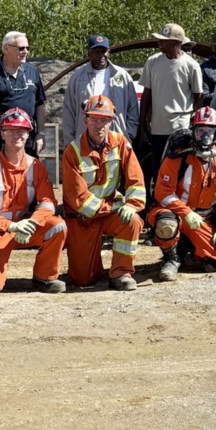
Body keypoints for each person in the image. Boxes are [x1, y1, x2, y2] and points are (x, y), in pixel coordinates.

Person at [0, 108, 66, 294]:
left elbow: (48, 202)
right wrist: (11, 226)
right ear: (2, 134)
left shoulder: (36, 166)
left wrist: (32, 222)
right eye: (10, 130)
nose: (16, 135)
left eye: (21, 130)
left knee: (57, 226)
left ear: (28, 134)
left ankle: (44, 278)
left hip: (26, 229)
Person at [61, 95, 146, 290]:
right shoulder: (72, 152)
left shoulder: (120, 143)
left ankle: (121, 273)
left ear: (112, 121)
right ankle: (92, 266)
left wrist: (132, 205)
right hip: (82, 219)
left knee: (131, 221)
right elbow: (80, 201)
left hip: (108, 213)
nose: (100, 124)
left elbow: (136, 179)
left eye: (105, 119)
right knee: (83, 279)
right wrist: (115, 206)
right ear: (86, 120)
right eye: (95, 119)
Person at [149, 106, 216, 281]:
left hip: (203, 218)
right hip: (177, 214)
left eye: (210, 131)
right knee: (166, 224)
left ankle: (188, 248)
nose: (205, 136)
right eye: (200, 131)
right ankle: (171, 259)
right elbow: (162, 192)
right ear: (193, 131)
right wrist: (186, 212)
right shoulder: (178, 156)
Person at [138, 22, 205, 178]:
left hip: (181, 128)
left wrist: (194, 127)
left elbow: (198, 98)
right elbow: (146, 95)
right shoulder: (152, 62)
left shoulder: (192, 65)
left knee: (180, 170)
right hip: (157, 128)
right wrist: (142, 127)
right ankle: (160, 201)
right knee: (159, 169)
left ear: (177, 43)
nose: (159, 42)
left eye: (163, 39)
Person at [0, 31, 47, 157]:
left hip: (27, 142)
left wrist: (41, 133)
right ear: (6, 49)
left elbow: (39, 104)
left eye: (27, 48)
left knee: (28, 176)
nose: (25, 51)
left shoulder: (33, 71)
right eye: (21, 48)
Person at [62, 33, 140, 148]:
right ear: (89, 53)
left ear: (109, 52)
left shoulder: (122, 76)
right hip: (85, 141)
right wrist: (69, 142)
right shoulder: (77, 78)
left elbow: (132, 109)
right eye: (96, 51)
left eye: (103, 51)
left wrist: (129, 135)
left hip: (117, 141)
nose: (100, 55)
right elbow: (69, 111)